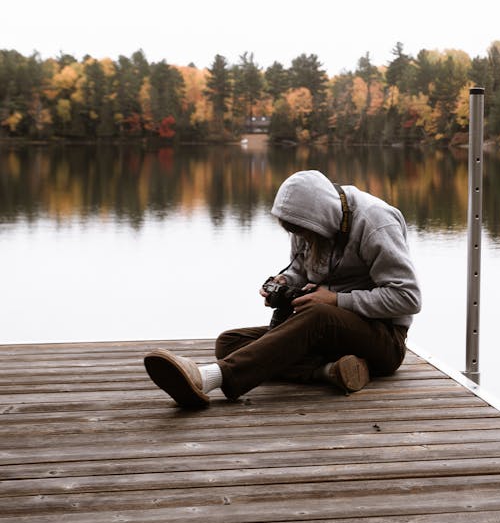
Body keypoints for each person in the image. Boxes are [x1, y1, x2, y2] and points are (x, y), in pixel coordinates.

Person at [143, 169, 421, 409]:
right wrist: (284, 282)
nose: (301, 239)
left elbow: (407, 297)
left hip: (384, 341)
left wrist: (336, 300)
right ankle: (330, 371)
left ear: (321, 219)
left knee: (319, 314)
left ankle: (208, 379)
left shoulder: (375, 222)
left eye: (304, 233)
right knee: (229, 343)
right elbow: (300, 269)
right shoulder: (307, 225)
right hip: (329, 337)